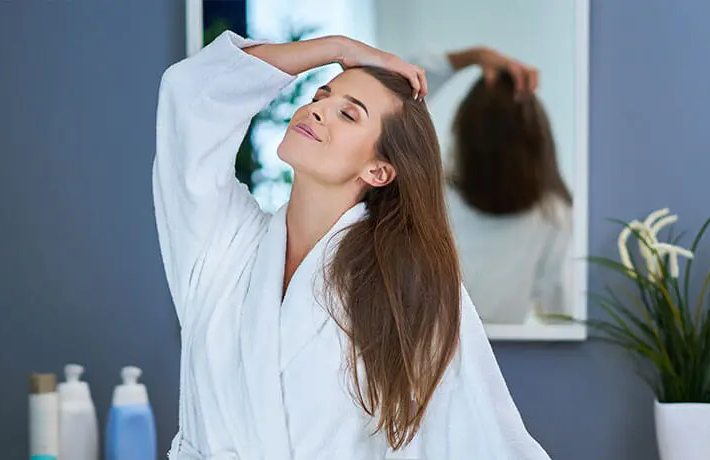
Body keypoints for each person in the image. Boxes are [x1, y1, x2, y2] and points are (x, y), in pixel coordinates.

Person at [152, 30, 551, 459]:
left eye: (349, 114)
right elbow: (191, 96)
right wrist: (336, 48)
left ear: (379, 171)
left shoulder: (410, 286)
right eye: (321, 96)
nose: (319, 109)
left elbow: (476, 436)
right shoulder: (222, 244)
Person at [412, 48, 572, 324]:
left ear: (463, 132)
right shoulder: (554, 213)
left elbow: (392, 95)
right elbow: (558, 311)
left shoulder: (428, 196)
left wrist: (471, 57)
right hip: (506, 358)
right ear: (537, 140)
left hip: (429, 355)